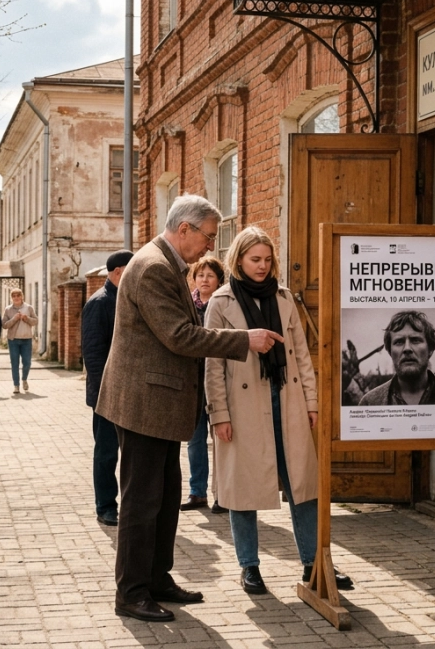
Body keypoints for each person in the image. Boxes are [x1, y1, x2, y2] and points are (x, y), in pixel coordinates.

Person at [95, 195, 283, 623]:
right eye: (208, 237)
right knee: (142, 502)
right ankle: (131, 593)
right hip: (144, 404)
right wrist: (243, 340)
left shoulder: (165, 263)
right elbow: (180, 336)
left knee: (163, 498)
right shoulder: (154, 268)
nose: (209, 249)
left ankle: (157, 579)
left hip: (157, 403)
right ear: (185, 230)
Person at [204, 226, 354, 596]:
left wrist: (312, 403)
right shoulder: (221, 302)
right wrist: (219, 414)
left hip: (286, 400)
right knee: (242, 488)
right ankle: (249, 567)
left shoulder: (284, 297)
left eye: (268, 260)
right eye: (255, 259)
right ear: (238, 259)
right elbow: (213, 365)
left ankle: (315, 563)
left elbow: (302, 355)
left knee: (304, 485)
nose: (263, 266)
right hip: (242, 406)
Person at [81, 249, 133, 527]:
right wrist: (107, 392)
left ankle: (129, 505)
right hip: (107, 394)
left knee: (131, 454)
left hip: (130, 391)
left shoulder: (127, 299)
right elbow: (93, 354)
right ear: (117, 273)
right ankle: (105, 506)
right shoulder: (99, 303)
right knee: (106, 452)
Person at [180, 256, 228, 514]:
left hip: (219, 382)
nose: (204, 280)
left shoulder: (225, 306)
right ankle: (197, 492)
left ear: (219, 280)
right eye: (200, 275)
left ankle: (223, 494)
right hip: (195, 384)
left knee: (222, 440)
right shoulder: (188, 305)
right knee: (195, 441)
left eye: (210, 276)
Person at [358, 310, 435, 406]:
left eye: (415, 340)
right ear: (390, 352)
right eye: (399, 342)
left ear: (430, 349)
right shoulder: (369, 403)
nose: (407, 348)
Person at [2, 289, 38, 394]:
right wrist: (14, 319)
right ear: (11, 298)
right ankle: (16, 385)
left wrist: (26, 319)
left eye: (18, 295)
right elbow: (4, 325)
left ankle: (24, 379)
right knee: (15, 363)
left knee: (27, 362)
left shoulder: (28, 308)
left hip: (26, 339)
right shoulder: (8, 309)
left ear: (22, 296)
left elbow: (35, 321)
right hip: (13, 340)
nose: (16, 298)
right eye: (14, 296)